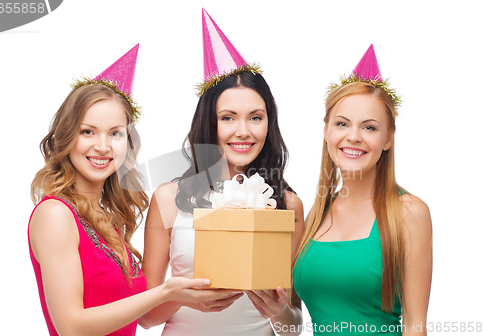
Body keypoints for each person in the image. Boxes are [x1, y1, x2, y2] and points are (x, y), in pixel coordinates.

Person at [28, 44, 237, 336]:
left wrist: (185, 294)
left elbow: (135, 315)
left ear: (127, 141)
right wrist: (165, 292)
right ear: (66, 137)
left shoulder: (105, 218)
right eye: (87, 131)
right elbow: (71, 327)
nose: (103, 146)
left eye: (115, 133)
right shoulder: (55, 214)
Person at [138, 9, 305, 336]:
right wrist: (183, 294)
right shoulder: (169, 199)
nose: (243, 131)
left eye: (255, 117)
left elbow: (294, 327)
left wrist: (281, 311)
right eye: (228, 117)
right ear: (209, 123)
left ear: (269, 124)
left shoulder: (288, 206)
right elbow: (146, 317)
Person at [293, 45, 432, 335]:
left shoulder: (408, 213)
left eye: (369, 127)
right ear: (326, 130)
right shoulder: (317, 213)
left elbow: (415, 325)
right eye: (342, 124)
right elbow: (293, 319)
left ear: (388, 138)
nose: (353, 137)